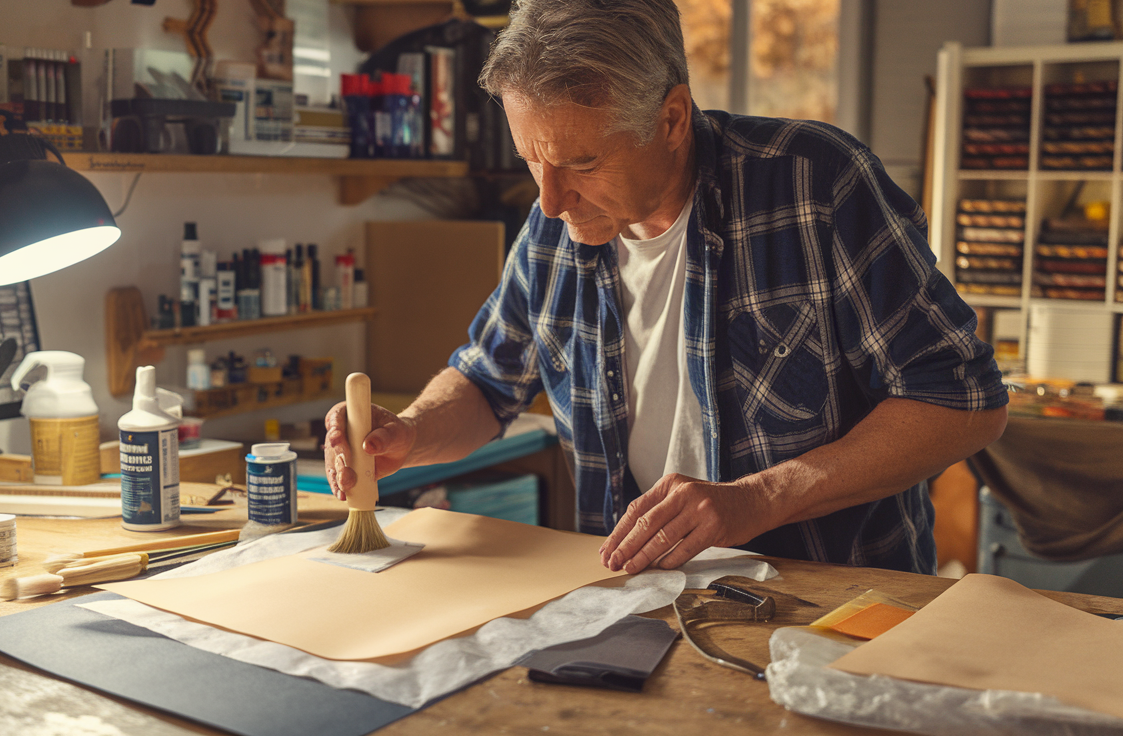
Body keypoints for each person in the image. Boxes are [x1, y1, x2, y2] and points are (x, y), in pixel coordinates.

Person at [325, 0, 1007, 576]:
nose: (551, 198)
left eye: (583, 162)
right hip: (633, 601)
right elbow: (486, 381)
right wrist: (408, 435)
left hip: (827, 607)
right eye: (532, 158)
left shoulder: (817, 185)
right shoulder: (552, 222)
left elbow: (964, 402)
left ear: (673, 119)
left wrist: (759, 498)